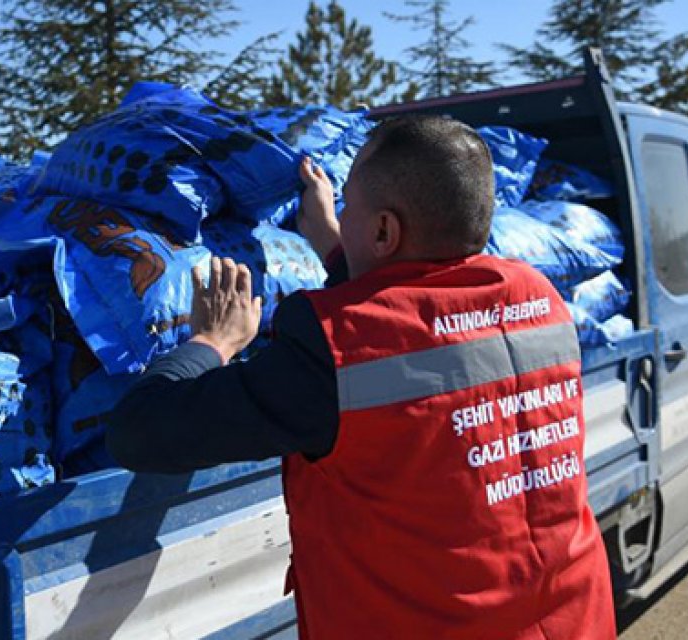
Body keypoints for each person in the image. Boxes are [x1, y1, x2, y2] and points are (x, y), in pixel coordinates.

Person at [107, 116, 616, 639]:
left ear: (382, 231)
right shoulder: (540, 299)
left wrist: (211, 342)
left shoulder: (332, 349)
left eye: (349, 204)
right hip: (571, 617)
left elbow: (140, 432)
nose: (342, 214)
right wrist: (335, 241)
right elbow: (420, 314)